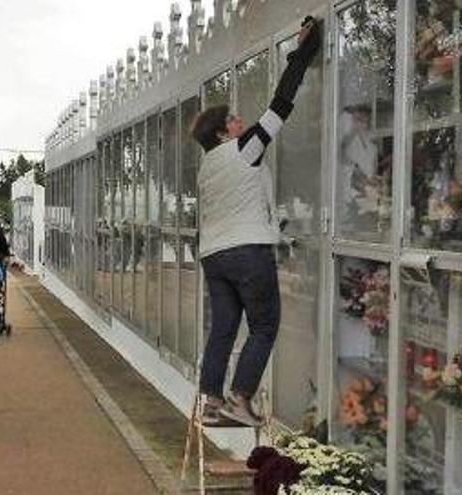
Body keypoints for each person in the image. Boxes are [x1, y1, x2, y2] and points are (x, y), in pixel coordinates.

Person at [191, 17, 320, 427]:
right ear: (223, 133)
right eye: (232, 120)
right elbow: (282, 102)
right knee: (264, 324)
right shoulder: (244, 149)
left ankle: (211, 401)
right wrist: (303, 51)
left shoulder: (207, 167)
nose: (240, 121)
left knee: (225, 327)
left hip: (215, 256)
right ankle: (240, 399)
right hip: (248, 251)